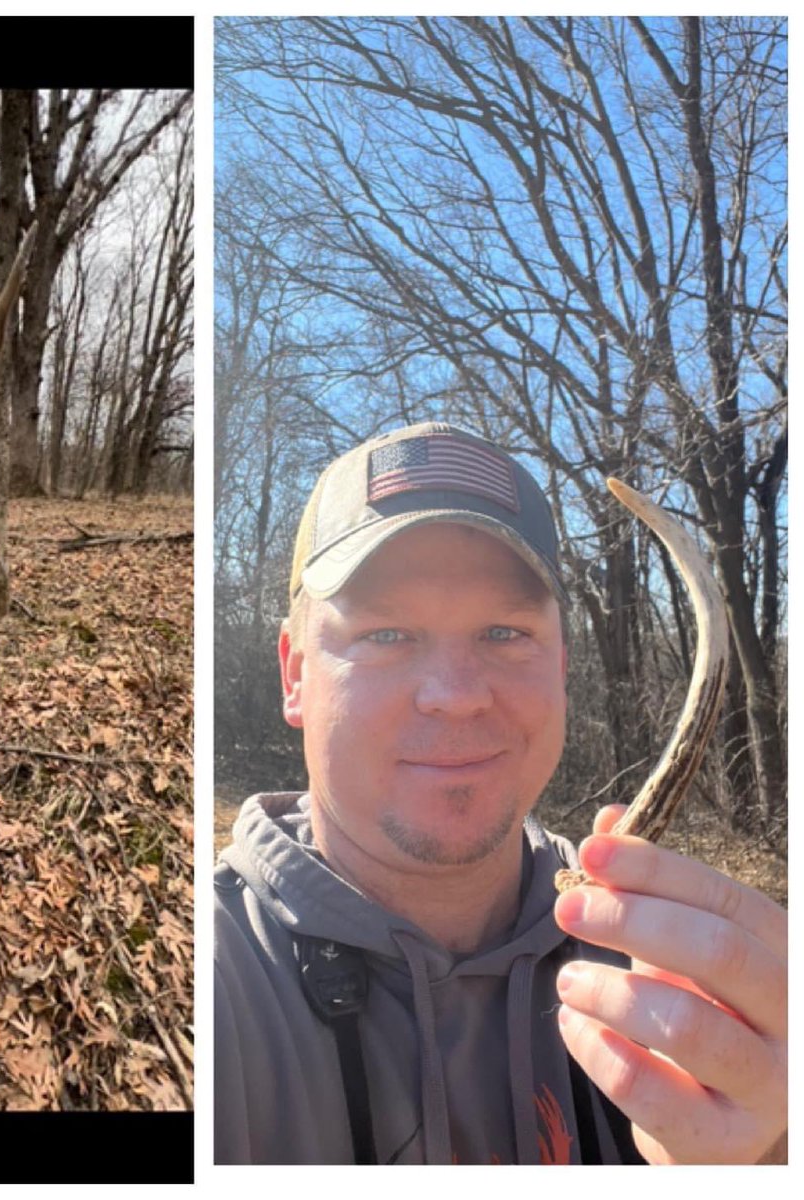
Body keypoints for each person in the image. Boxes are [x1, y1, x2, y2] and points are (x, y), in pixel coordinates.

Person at [214, 421, 787, 1165]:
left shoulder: (676, 968)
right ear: (295, 675)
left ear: (560, 667)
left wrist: (774, 1154)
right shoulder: (219, 978)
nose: (456, 696)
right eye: (387, 635)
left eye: (504, 632)